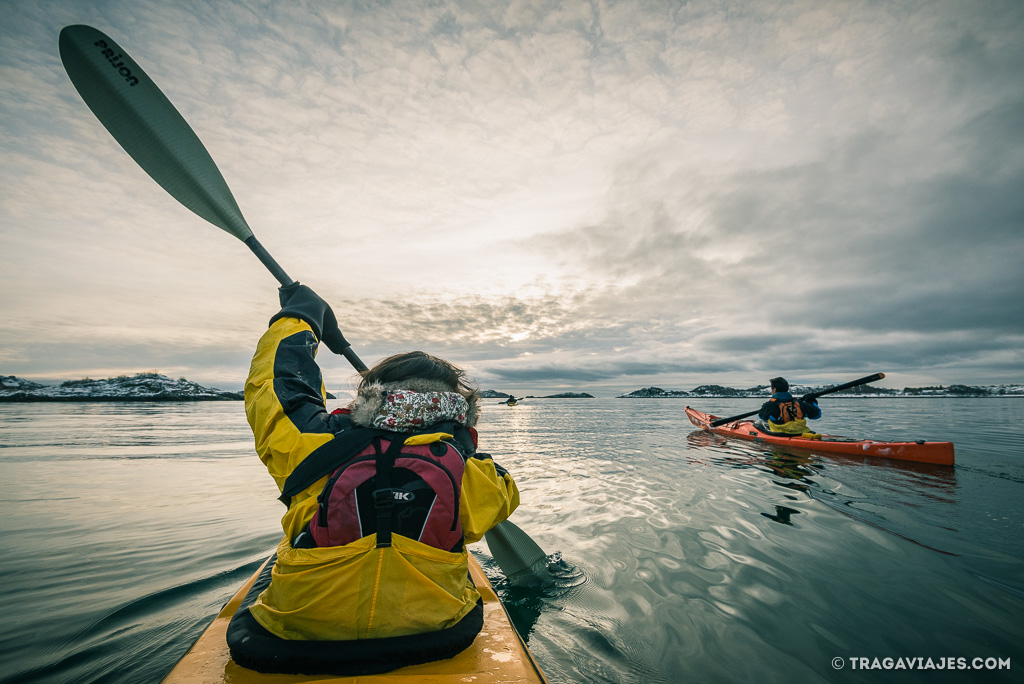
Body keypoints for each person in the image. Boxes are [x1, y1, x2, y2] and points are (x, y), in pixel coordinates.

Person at [233, 283, 520, 675]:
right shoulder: (473, 473)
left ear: (370, 396)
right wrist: (462, 444)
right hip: (435, 636)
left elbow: (278, 387)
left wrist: (298, 318)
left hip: (291, 642)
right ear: (459, 408)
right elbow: (507, 493)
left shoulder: (312, 443)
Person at [757, 376, 821, 435]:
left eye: (771, 388)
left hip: (780, 435)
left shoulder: (769, 405)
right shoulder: (799, 403)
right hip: (801, 433)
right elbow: (817, 415)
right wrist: (811, 401)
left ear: (774, 389)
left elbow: (762, 416)